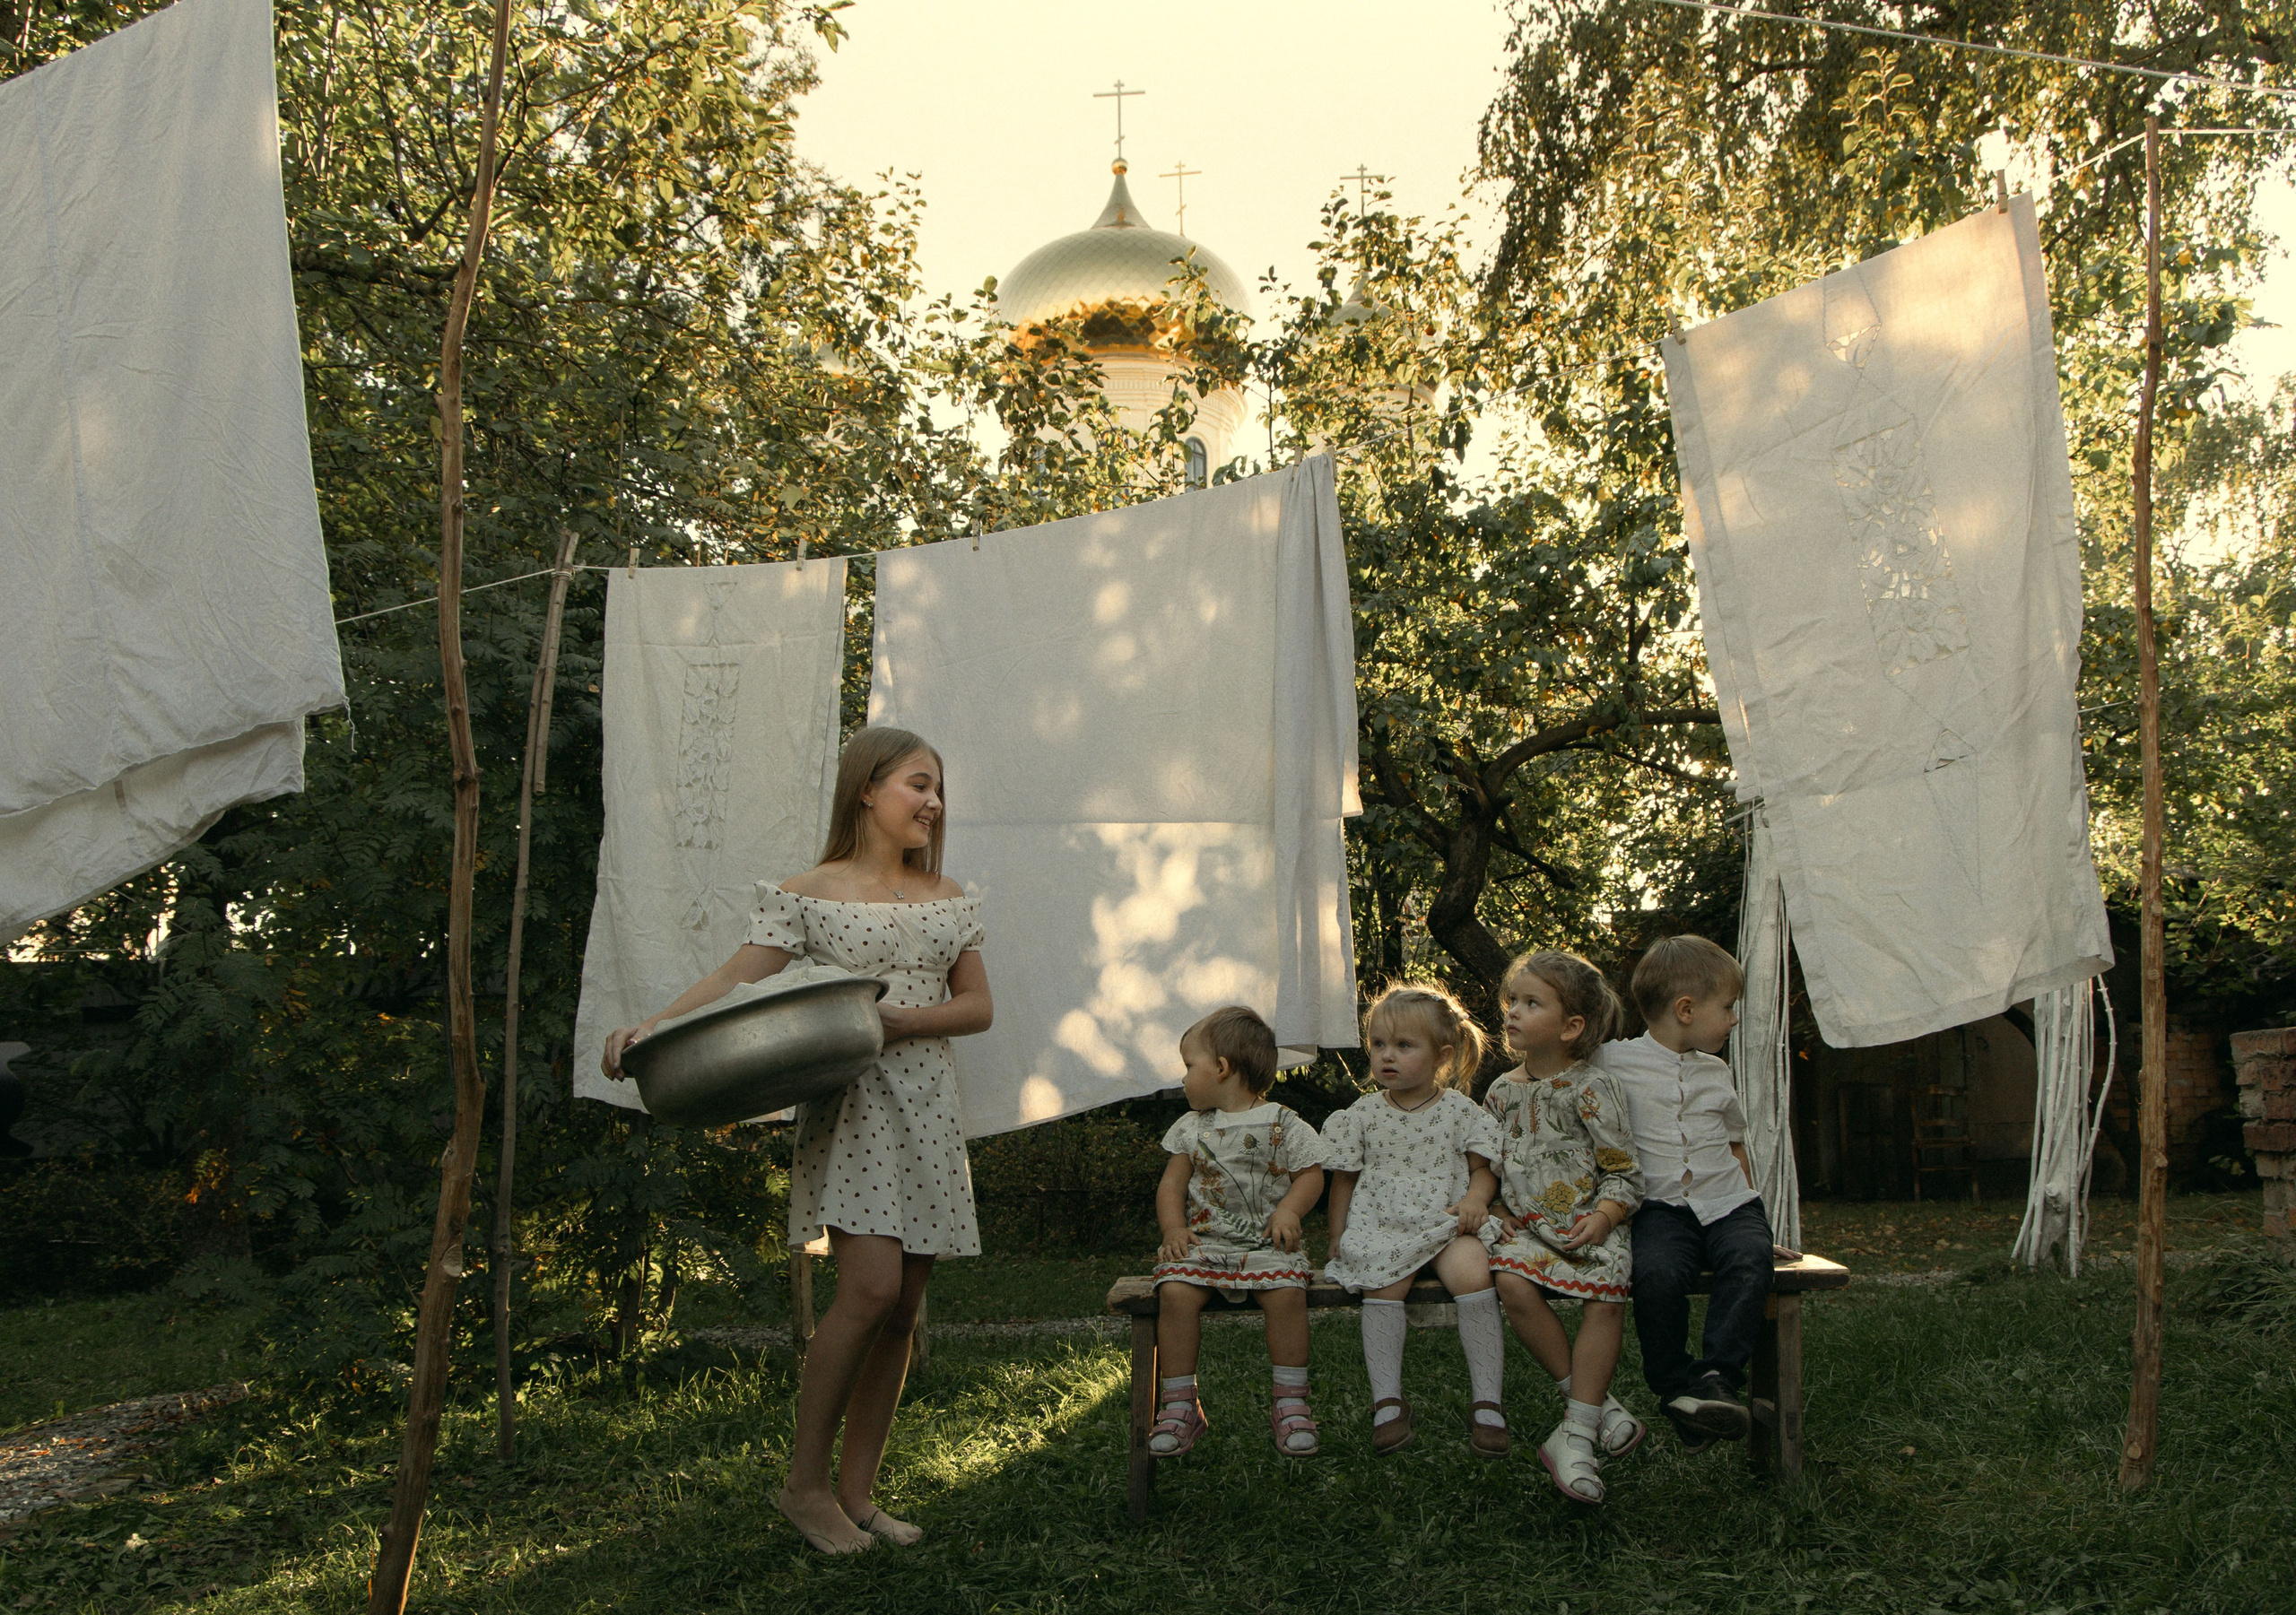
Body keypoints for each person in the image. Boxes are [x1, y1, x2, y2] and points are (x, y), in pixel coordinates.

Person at [602, 726, 990, 1554]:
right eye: (918, 784)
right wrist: (652, 1026)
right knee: (870, 1291)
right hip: (853, 1108)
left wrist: (902, 1021)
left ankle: (856, 1494)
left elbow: (977, 1007)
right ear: (866, 789)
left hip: (929, 1108)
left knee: (904, 1308)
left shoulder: (949, 894)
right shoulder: (809, 893)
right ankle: (804, 1489)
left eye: (937, 788)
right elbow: (735, 977)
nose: (933, 802)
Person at [1482, 950, 1646, 1505]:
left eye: (1532, 1003)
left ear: (1571, 1027)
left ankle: (1574, 1435)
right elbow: (1488, 1167)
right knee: (1510, 1280)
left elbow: (1623, 1170)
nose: (1513, 1011)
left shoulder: (1594, 1088)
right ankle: (1593, 1410)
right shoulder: (1500, 1093)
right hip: (1529, 1230)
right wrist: (1496, 1209)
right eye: (1513, 1001)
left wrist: (1606, 1216)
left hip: (1591, 1225)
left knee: (1607, 1293)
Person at [1596, 934, 1771, 1454]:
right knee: (1656, 1274)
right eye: (1728, 1008)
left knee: (1750, 1257)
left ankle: (1717, 1378)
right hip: (1658, 1208)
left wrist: (1757, 1224)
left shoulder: (1717, 1071)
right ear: (1686, 1010)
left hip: (1728, 1202)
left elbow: (1734, 1145)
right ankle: (1675, 1389)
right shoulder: (1612, 1062)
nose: (1734, 1019)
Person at [1320, 982, 1510, 1458]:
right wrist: (1338, 1234)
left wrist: (1477, 1200)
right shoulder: (1362, 1114)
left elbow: (1482, 1169)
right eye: (1378, 1044)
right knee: (1383, 1287)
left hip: (1447, 1222)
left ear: (1441, 1055)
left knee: (1474, 1273)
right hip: (1383, 1225)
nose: (1387, 1055)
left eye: (1404, 1045)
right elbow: (1343, 1180)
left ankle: (1488, 1402)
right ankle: (1387, 1400)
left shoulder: (1459, 1111)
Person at [1146, 1005, 1329, 1458]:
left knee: (1286, 1293)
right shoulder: (1191, 1128)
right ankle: (1180, 1404)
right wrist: (1174, 1229)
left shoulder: (1283, 1122)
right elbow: (1171, 1186)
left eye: (1189, 1065)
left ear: (1222, 1068)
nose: (1183, 1078)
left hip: (1268, 1245)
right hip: (1205, 1245)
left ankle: (1290, 1402)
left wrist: (1289, 1211)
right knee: (1175, 1291)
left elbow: (1310, 1175)